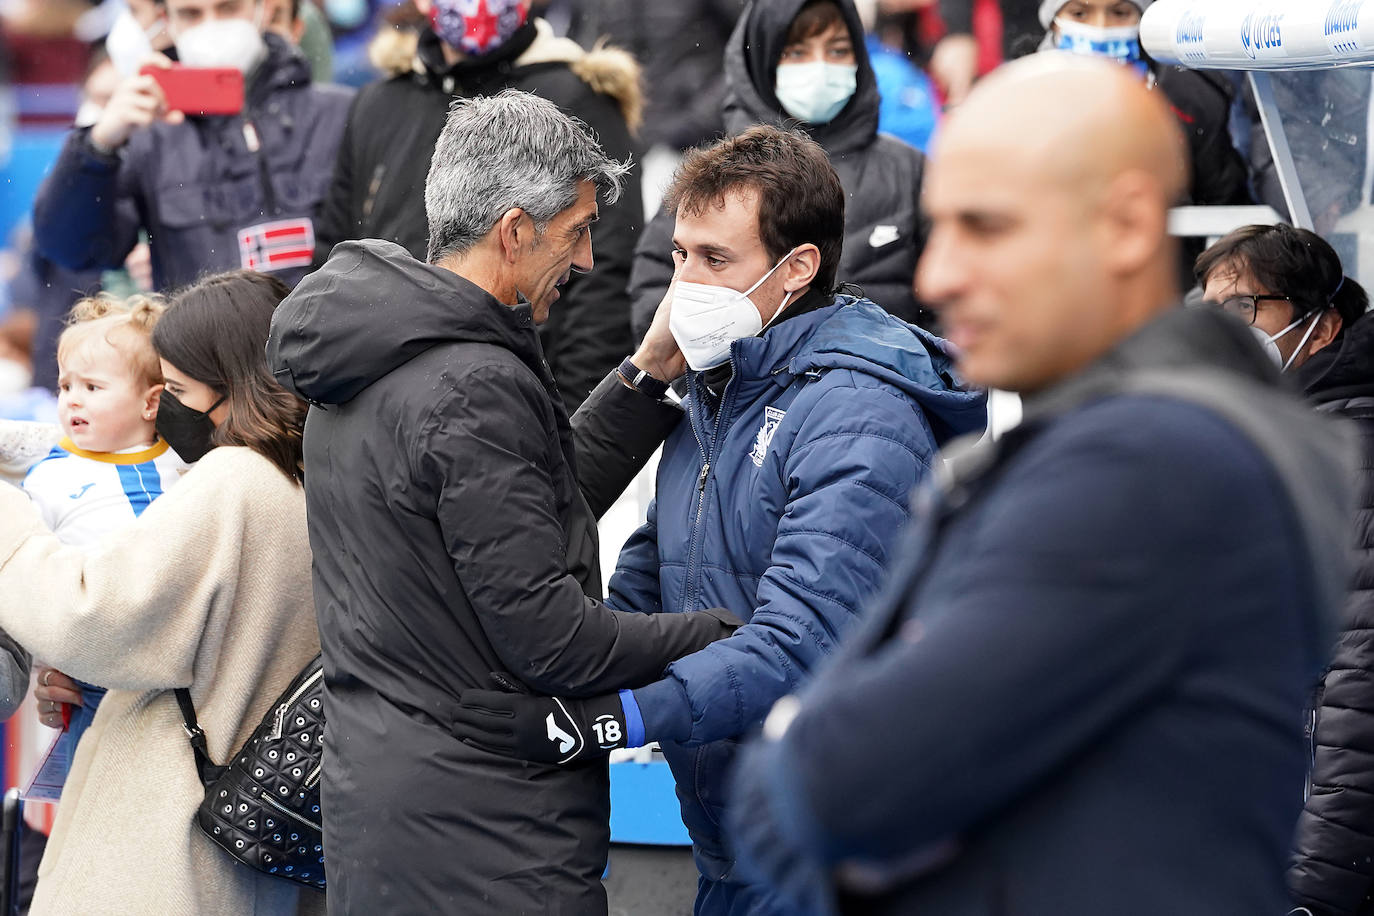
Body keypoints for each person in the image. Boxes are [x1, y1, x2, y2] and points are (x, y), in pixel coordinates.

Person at [725, 55, 1356, 915]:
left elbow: (831, 790)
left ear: (1128, 225)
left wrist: (797, 749)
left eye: (985, 228)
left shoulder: (1146, 470)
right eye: (936, 230)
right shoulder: (1145, 446)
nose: (936, 276)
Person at [453, 123, 986, 914]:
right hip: (731, 847)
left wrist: (606, 721)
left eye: (714, 260)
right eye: (679, 257)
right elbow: (640, 588)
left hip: (831, 854)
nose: (686, 287)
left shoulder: (859, 414)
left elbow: (799, 640)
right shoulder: (716, 392)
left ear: (797, 267)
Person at [267, 90, 741, 916]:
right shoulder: (470, 380)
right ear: (515, 229)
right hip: (483, 835)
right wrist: (736, 632)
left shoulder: (381, 353)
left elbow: (519, 515)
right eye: (578, 232)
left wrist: (646, 373)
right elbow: (556, 642)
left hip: (395, 806)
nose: (590, 261)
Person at [0, 270, 323, 915]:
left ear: (231, 382)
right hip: (244, 843)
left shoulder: (234, 480)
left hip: (170, 848)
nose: (164, 409)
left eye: (174, 388)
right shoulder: (310, 477)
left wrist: (9, 527)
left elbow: (90, 618)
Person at [316, 0, 641, 411]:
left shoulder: (577, 96)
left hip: (523, 398)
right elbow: (336, 257)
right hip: (390, 400)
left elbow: (604, 275)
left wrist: (569, 420)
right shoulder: (379, 104)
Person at [1188, 228, 1374, 916]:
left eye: (1242, 309)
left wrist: (1314, 886)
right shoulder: (1264, 440)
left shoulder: (1350, 455)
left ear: (1321, 326)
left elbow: (1359, 698)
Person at [631, 0, 933, 335]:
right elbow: (658, 297)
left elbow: (950, 303)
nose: (819, 68)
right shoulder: (708, 171)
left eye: (837, 51)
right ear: (762, 58)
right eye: (796, 52)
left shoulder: (907, 170)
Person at [31, 0, 353, 292]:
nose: (211, 25)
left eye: (228, 8)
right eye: (191, 13)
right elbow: (73, 248)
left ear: (263, 8)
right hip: (204, 352)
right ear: (166, 21)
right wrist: (99, 146)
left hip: (328, 347)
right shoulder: (149, 135)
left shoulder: (341, 113)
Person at [1038, 0, 1250, 208]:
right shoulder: (1019, 100)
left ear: (1143, 18)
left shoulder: (1187, 97)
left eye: (1120, 13)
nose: (1100, 28)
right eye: (1079, 14)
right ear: (1053, 21)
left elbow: (1224, 200)